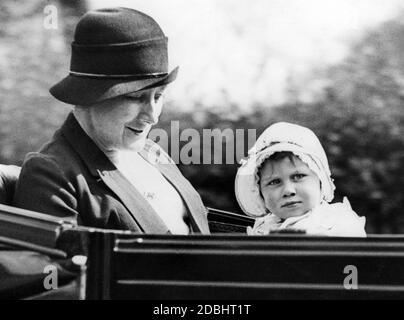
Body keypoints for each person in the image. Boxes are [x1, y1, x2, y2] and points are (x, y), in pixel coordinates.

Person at [13, 7, 210, 235]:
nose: (153, 116)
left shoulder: (152, 153)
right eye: (135, 98)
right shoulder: (52, 174)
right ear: (89, 96)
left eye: (159, 96)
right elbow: (57, 268)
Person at [234, 122, 366, 237]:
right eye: (274, 182)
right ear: (260, 193)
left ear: (320, 181)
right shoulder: (262, 229)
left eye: (298, 177)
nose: (288, 191)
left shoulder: (337, 223)